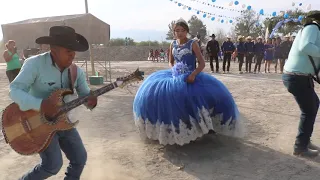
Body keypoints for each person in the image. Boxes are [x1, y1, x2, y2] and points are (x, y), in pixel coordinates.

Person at [133, 19, 244, 146]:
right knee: (158, 96)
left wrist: (193, 74)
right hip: (175, 75)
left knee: (200, 98)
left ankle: (204, 127)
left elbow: (202, 64)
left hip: (191, 76)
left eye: (182, 31)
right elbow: (170, 61)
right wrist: (173, 68)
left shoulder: (193, 44)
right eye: (177, 31)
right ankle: (173, 129)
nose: (179, 33)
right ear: (174, 32)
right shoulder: (173, 44)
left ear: (187, 31)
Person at [9, 26, 98, 179]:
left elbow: (85, 95)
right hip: (39, 123)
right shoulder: (34, 64)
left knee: (79, 159)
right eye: (68, 51)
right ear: (54, 50)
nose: (73, 56)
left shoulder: (76, 72)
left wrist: (91, 101)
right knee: (52, 165)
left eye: (74, 51)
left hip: (65, 122)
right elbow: (15, 90)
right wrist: (41, 104)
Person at [282, 11, 320, 158]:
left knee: (313, 105)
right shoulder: (313, 28)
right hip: (296, 77)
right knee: (309, 110)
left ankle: (304, 141)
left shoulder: (315, 30)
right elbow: (305, 46)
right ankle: (300, 147)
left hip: (301, 77)